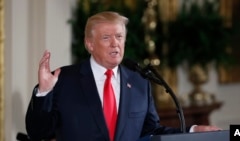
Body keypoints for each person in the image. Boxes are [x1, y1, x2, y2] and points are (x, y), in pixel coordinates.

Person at [25, 11, 221, 141]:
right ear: (89, 44)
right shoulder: (64, 80)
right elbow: (38, 132)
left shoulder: (139, 82)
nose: (115, 44)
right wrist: (44, 92)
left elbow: (151, 132)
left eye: (119, 37)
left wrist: (194, 131)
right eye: (106, 37)